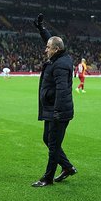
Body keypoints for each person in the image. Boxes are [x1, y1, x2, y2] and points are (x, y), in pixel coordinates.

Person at [31, 13, 77, 187]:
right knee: (48, 139)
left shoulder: (61, 64)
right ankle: (67, 167)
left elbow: (63, 91)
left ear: (55, 50)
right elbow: (51, 40)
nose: (45, 49)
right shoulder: (58, 56)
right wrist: (42, 29)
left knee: (53, 146)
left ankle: (47, 178)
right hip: (52, 109)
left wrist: (58, 112)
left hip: (59, 111)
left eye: (48, 47)